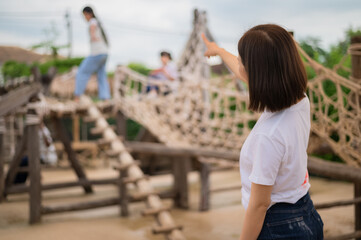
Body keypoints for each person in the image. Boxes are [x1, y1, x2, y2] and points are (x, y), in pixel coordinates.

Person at [202, 24, 324, 240]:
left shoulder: (268, 136)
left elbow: (259, 205)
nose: (238, 64)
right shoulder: (300, 100)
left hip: (278, 226)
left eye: (241, 62)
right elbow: (250, 75)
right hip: (306, 213)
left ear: (258, 73)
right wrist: (219, 51)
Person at [74, 6, 110, 101]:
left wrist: (93, 36)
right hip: (104, 53)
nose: (84, 17)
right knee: (101, 75)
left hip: (97, 53)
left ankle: (77, 96)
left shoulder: (92, 21)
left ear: (88, 14)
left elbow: (92, 28)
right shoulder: (97, 22)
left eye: (84, 15)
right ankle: (105, 98)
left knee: (82, 72)